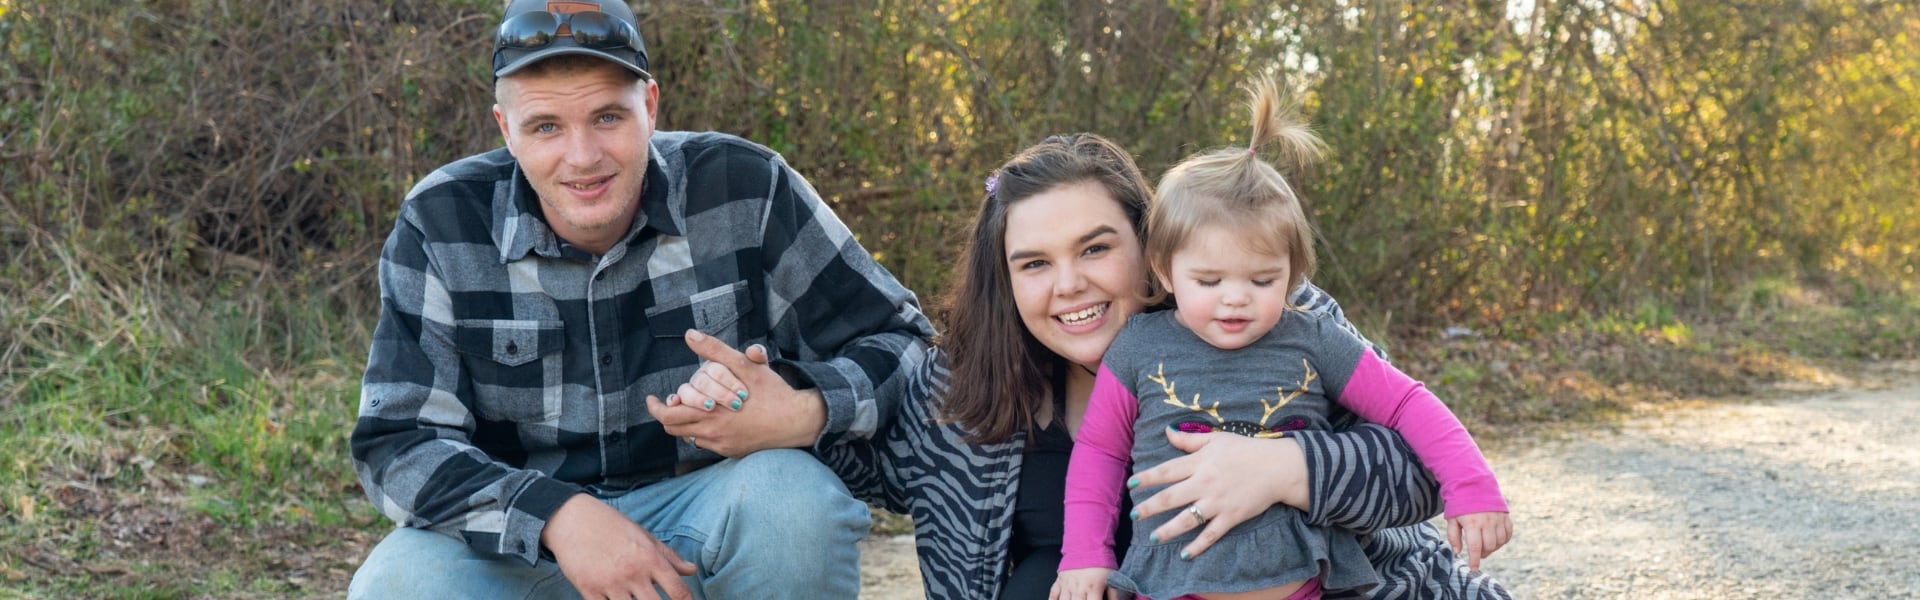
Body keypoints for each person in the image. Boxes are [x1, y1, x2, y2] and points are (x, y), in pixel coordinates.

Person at [346, 0, 935, 598]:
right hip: (523, 544)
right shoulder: (441, 219)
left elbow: (908, 347)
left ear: (649, 107)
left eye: (607, 117)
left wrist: (801, 410)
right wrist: (557, 516)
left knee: (795, 503)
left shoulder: (742, 186)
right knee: (396, 584)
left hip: (708, 526)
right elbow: (398, 441)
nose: (583, 156)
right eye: (546, 126)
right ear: (506, 130)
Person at [823, 131, 1511, 599]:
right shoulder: (962, 389)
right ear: (1005, 280)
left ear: (1152, 249)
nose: (1069, 285)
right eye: (1034, 264)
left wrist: (1287, 468)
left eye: (1095, 249)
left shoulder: (1268, 312)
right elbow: (863, 455)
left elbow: (1421, 462)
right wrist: (798, 406)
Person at [1050, 77, 1512, 600]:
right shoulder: (1139, 348)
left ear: (1292, 272)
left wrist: (1471, 487)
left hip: (1303, 587)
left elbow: (1407, 403)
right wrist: (1084, 554)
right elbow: (1100, 453)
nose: (1235, 299)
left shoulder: (1311, 337)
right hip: (1168, 586)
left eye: (1262, 279)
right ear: (1163, 267)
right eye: (1209, 281)